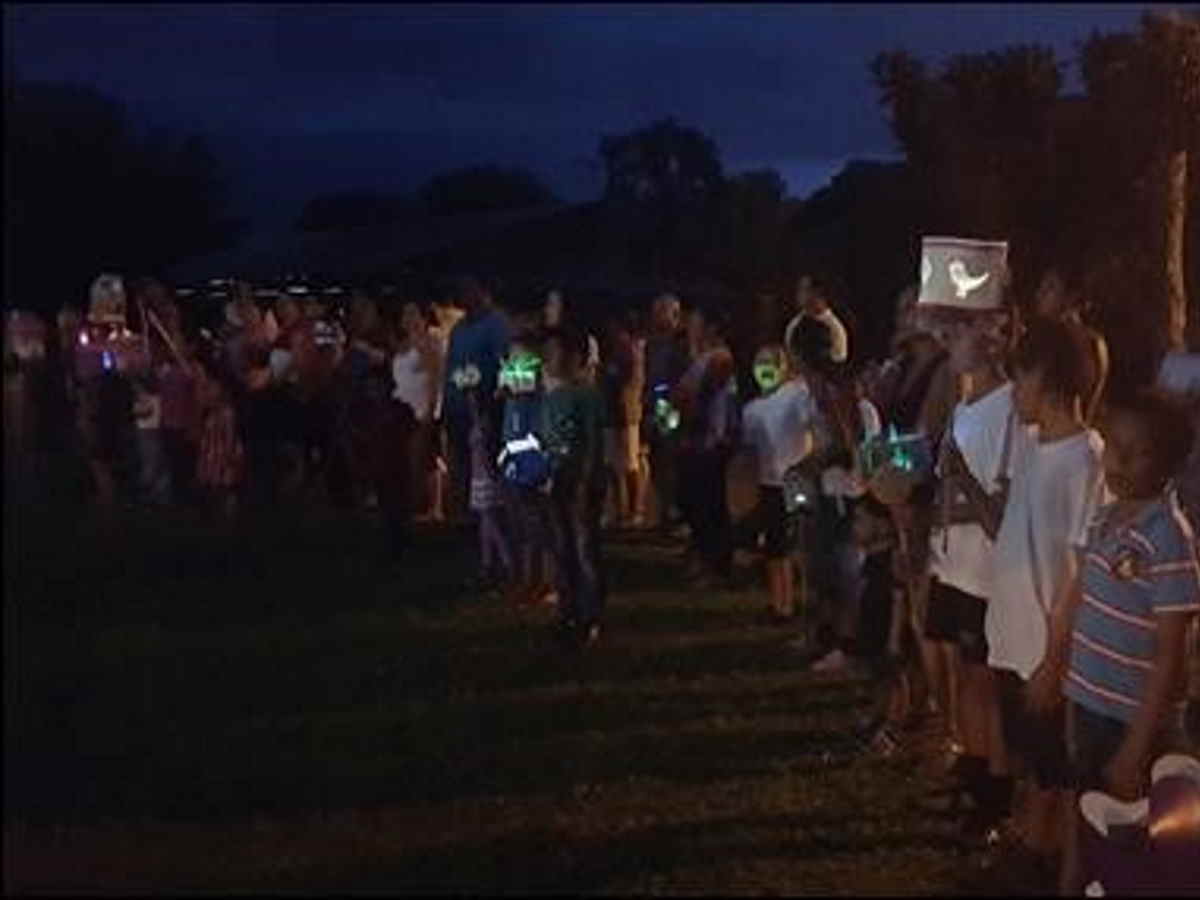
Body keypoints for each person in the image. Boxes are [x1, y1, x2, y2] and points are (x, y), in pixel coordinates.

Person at [1049, 389, 1200, 894]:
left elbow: (1171, 655)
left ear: (1168, 463)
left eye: (1137, 453)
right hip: (1089, 701)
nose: (1119, 462)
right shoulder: (1106, 518)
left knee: (1133, 837)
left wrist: (1138, 744)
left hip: (1135, 717)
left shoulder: (1169, 538)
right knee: (1082, 804)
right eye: (1115, 446)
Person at [985, 318, 1107, 876]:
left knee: (1054, 773)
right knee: (1031, 762)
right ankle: (1028, 844)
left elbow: (1079, 576)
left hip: (1046, 652)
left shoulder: (1087, 462)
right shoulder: (1032, 446)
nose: (1014, 392)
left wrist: (1054, 663)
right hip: (1014, 640)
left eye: (1022, 379)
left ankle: (1043, 860)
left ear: (1055, 385)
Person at [916, 297, 1019, 835]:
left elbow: (1003, 508)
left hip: (984, 571)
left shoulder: (1009, 408)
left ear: (993, 340)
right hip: (951, 563)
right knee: (963, 676)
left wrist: (963, 483)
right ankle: (974, 771)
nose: (947, 345)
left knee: (985, 683)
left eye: (958, 335)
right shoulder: (964, 404)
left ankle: (996, 794)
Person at [738, 344, 819, 621]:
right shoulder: (751, 410)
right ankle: (780, 603)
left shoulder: (797, 395)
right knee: (775, 548)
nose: (765, 369)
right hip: (768, 484)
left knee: (799, 545)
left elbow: (813, 423)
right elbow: (749, 453)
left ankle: (802, 603)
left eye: (772, 362)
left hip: (797, 481)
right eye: (760, 363)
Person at [542, 326, 608, 647]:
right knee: (561, 546)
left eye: (555, 353)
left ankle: (590, 615)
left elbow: (594, 442)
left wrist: (584, 480)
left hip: (581, 482)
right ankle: (567, 611)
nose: (549, 359)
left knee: (583, 547)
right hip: (556, 481)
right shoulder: (552, 396)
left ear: (575, 357)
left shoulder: (587, 395)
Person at [673, 307, 739, 587]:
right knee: (697, 502)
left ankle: (714, 562)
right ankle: (706, 556)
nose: (690, 329)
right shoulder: (701, 358)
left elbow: (700, 398)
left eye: (696, 324)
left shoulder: (719, 359)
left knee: (708, 505)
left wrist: (683, 406)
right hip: (697, 440)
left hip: (709, 442)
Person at [442, 276, 511, 521]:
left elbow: (503, 364)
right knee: (460, 465)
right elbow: (449, 367)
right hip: (457, 409)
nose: (464, 296)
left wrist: (490, 399)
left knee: (485, 466)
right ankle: (464, 518)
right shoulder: (459, 328)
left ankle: (491, 518)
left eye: (470, 291)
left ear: (483, 292)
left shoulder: (497, 324)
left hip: (484, 408)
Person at [1031, 269, 1109, 425]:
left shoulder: (1088, 342)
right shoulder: (1038, 339)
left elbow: (1087, 403)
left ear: (1070, 297)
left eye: (1050, 289)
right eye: (1042, 288)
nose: (1040, 295)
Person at [393, 300, 445, 522]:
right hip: (402, 408)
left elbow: (435, 378)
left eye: (414, 314)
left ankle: (435, 507)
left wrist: (431, 410)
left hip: (422, 408)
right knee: (406, 457)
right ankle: (410, 502)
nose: (409, 319)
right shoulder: (402, 344)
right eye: (406, 314)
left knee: (426, 457)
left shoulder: (430, 343)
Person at [642, 293, 689, 531]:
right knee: (657, 460)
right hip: (654, 405)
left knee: (671, 460)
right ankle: (665, 512)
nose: (657, 316)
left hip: (671, 407)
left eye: (663, 311)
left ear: (675, 314)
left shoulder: (682, 344)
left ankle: (675, 514)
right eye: (656, 311)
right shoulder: (652, 344)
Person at [600, 312, 645, 528]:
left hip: (627, 415)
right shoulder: (613, 353)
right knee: (611, 466)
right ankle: (618, 510)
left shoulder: (631, 352)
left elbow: (628, 384)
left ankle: (635, 511)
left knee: (629, 465)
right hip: (611, 415)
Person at [196, 360, 245, 522]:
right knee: (213, 486)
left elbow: (230, 436)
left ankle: (229, 517)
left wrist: (230, 454)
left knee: (226, 486)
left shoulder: (227, 413)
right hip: (213, 450)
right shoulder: (213, 412)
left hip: (222, 451)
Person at [784, 273, 850, 366]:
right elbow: (790, 359)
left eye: (804, 290)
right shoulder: (794, 324)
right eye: (799, 290)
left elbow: (838, 366)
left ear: (817, 292)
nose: (798, 294)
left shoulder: (836, 329)